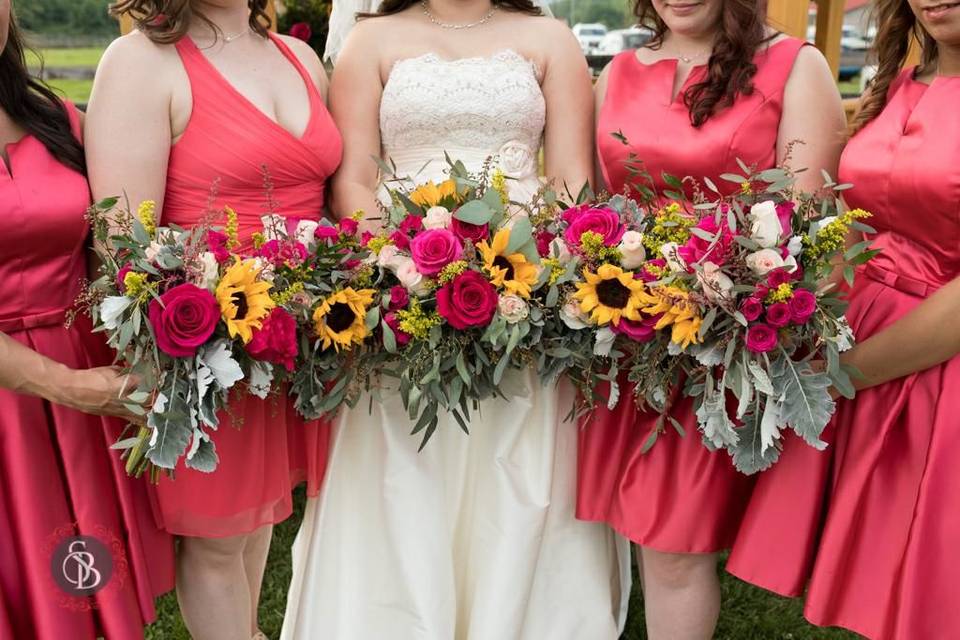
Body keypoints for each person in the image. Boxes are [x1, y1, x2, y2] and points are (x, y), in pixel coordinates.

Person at [281, 1, 630, 638]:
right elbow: (354, 180)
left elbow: (572, 182)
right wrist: (408, 263)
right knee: (407, 477)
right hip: (403, 293)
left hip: (524, 298)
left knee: (518, 476)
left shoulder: (550, 39)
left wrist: (520, 271)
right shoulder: (370, 41)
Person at [577, 0, 846, 638]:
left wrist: (715, 302)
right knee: (607, 536)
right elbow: (590, 207)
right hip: (618, 337)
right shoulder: (615, 73)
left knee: (673, 548)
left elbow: (809, 230)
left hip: (721, 347)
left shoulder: (795, 67)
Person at [84, 1, 341, 638]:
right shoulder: (142, 62)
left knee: (256, 529)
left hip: (295, 340)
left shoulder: (299, 56)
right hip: (206, 346)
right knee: (218, 544)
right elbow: (122, 244)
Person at [738, 1, 960, 637]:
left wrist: (846, 373)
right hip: (853, 340)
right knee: (877, 581)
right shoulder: (895, 84)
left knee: (930, 589)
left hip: (930, 365)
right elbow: (855, 223)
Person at [0, 1, 175, 637]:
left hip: (88, 380)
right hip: (24, 389)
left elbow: (105, 245)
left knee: (82, 579)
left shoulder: (57, 119)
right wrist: (69, 386)